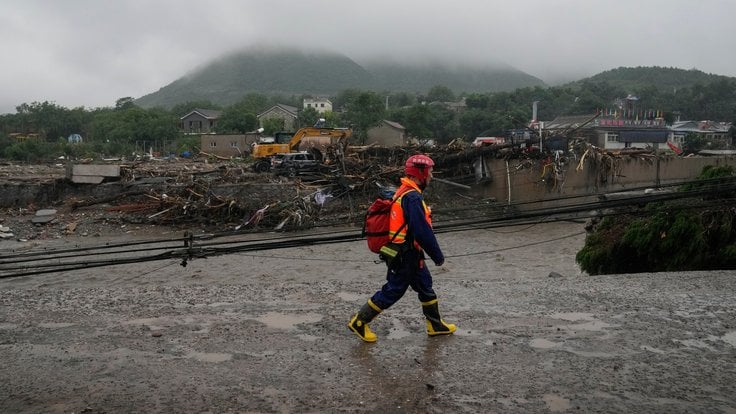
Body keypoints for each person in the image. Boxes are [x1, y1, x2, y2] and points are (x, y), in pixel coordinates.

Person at [348, 154, 457, 342]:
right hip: (405, 254)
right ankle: (359, 322)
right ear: (420, 173)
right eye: (430, 172)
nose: (431, 176)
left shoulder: (405, 191)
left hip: (410, 252)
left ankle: (435, 324)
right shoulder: (412, 197)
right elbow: (421, 230)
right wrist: (438, 256)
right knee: (394, 290)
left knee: (425, 285)